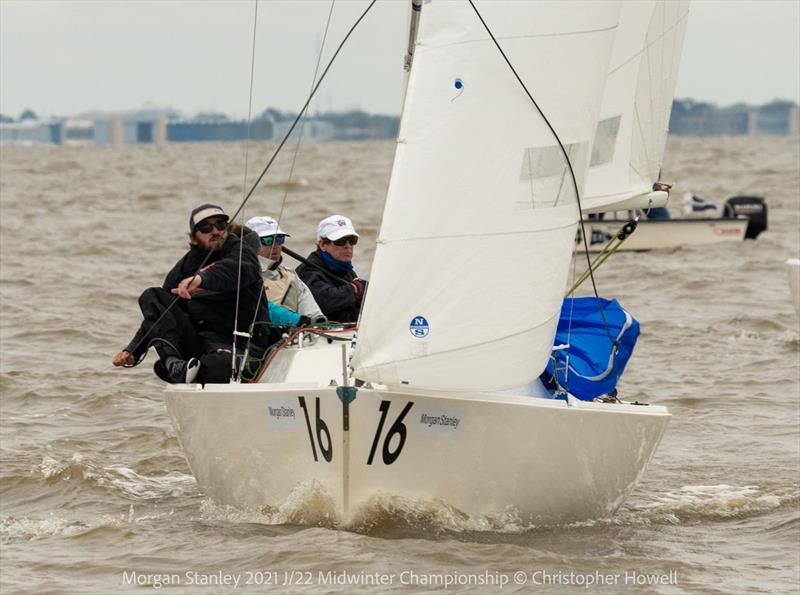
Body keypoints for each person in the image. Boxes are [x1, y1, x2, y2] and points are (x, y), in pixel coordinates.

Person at [112, 204, 275, 383]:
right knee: (152, 296)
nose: (215, 231)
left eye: (220, 225)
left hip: (242, 344)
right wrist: (133, 350)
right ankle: (172, 363)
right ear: (194, 238)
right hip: (202, 343)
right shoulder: (184, 267)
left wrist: (200, 279)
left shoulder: (241, 252)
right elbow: (160, 315)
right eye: (206, 228)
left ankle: (186, 370)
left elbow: (235, 269)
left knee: (220, 366)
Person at [244, 215, 325, 326]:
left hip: (293, 338)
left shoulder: (291, 275)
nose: (276, 245)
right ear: (251, 244)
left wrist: (320, 323)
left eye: (279, 239)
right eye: (268, 240)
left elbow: (314, 314)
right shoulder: (242, 276)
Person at [296, 215, 366, 323]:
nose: (347, 246)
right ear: (323, 244)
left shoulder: (348, 271)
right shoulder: (308, 271)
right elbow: (324, 302)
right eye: (340, 241)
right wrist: (355, 290)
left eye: (352, 240)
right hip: (318, 335)